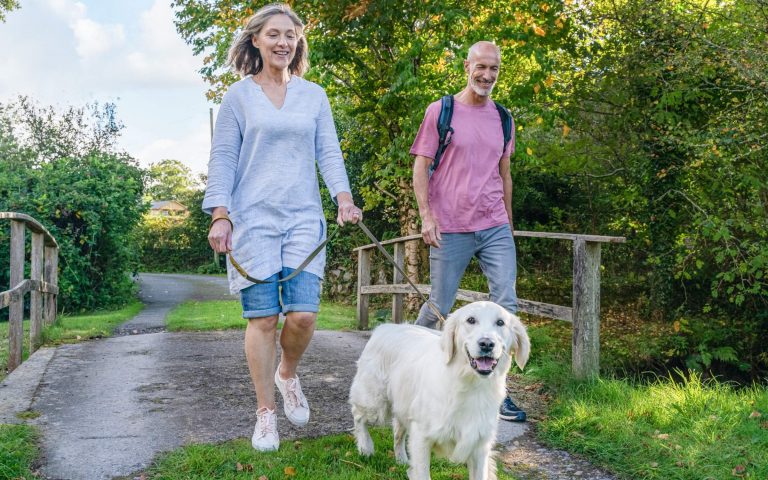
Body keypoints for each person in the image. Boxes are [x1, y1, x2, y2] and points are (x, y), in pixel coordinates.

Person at [204, 3, 362, 451]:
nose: (283, 42)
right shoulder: (238, 96)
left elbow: (329, 152)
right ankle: (266, 412)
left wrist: (343, 199)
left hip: (302, 218)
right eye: (274, 34)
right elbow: (223, 159)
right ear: (256, 40)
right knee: (263, 319)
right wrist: (221, 214)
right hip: (252, 219)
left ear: (298, 43)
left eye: (290, 35)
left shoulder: (314, 96)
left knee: (304, 315)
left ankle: (288, 373)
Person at [410, 41, 526, 422]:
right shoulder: (441, 111)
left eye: (494, 69)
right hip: (451, 226)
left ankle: (499, 392)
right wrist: (427, 216)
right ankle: (412, 371)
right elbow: (421, 166)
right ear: (467, 66)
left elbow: (504, 173)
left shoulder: (504, 118)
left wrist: (508, 223)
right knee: (439, 308)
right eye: (481, 67)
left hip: (493, 225)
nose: (487, 76)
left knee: (505, 308)